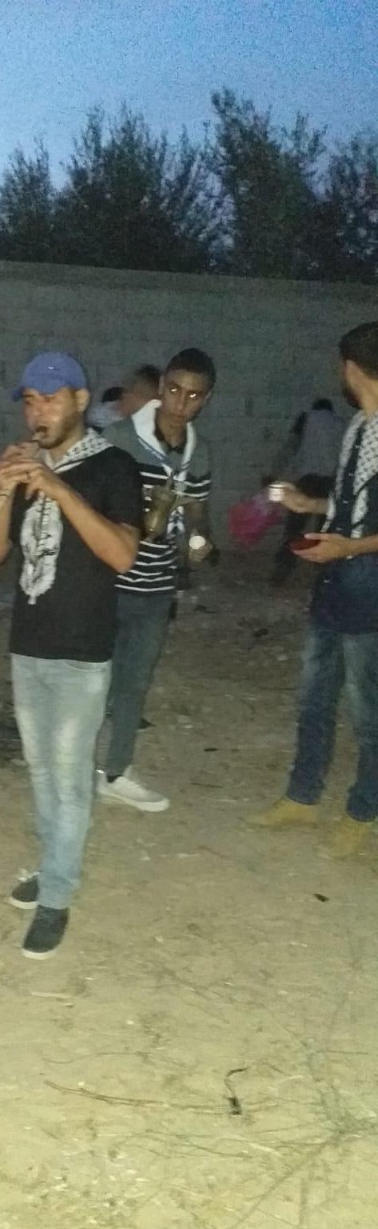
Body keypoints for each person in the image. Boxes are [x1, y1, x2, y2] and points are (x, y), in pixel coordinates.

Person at [0, 352, 142, 957]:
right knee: (41, 770)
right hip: (29, 644)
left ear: (80, 400)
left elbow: (122, 554)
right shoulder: (28, 467)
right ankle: (53, 866)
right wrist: (3, 492)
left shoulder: (114, 466)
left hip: (81, 650)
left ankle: (57, 896)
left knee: (71, 780)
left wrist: (57, 488)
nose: (38, 412)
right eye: (29, 401)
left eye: (50, 399)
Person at [249, 322, 378, 858]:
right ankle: (302, 797)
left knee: (369, 711)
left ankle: (363, 812)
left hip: (370, 589)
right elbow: (353, 506)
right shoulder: (358, 429)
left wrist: (350, 547)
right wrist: (310, 506)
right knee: (315, 698)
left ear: (349, 368)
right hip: (336, 582)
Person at [98, 348, 215, 812]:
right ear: (162, 386)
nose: (180, 404)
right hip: (108, 581)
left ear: (206, 399)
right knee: (93, 679)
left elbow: (198, 512)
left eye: (193, 396)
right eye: (174, 390)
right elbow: (91, 505)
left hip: (156, 585)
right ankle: (72, 768)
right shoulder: (120, 440)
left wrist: (198, 541)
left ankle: (116, 771)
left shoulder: (198, 452)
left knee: (134, 681)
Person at [267, 397, 346, 585]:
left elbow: (290, 447)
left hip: (308, 480)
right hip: (331, 482)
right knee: (324, 532)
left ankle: (282, 570)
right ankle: (323, 575)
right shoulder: (341, 424)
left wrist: (273, 472)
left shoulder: (306, 418)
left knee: (294, 528)